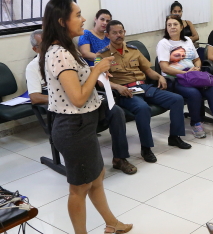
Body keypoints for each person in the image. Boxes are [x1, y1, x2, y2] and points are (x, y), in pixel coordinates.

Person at [39, 0, 132, 234]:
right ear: (62, 21)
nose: (83, 19)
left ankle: (111, 222)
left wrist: (96, 72)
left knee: (97, 176)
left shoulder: (67, 47)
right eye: (78, 15)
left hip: (83, 124)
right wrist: (97, 69)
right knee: (79, 188)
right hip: (73, 127)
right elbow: (78, 98)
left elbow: (78, 81)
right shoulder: (58, 52)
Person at [28, 29, 137, 175]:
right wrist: (63, 96)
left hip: (87, 99)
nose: (50, 47)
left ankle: (120, 158)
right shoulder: (34, 67)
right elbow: (35, 97)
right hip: (66, 109)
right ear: (35, 49)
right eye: (45, 44)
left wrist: (96, 70)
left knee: (116, 111)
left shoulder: (68, 56)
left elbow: (83, 77)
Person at [101, 20, 191, 163]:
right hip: (125, 91)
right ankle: (146, 148)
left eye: (121, 32)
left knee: (177, 99)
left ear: (124, 32)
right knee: (143, 108)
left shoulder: (134, 50)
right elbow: (100, 81)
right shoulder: (102, 55)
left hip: (143, 87)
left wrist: (159, 76)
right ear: (107, 35)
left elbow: (148, 71)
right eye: (114, 33)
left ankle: (175, 137)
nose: (119, 35)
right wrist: (117, 87)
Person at [157, 15, 213, 140]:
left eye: (175, 24)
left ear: (181, 27)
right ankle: (196, 123)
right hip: (175, 78)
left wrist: (197, 68)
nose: (172, 27)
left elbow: (197, 59)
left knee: (211, 90)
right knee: (194, 93)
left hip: (192, 76)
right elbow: (164, 68)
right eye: (169, 25)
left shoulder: (187, 41)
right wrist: (184, 73)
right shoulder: (164, 43)